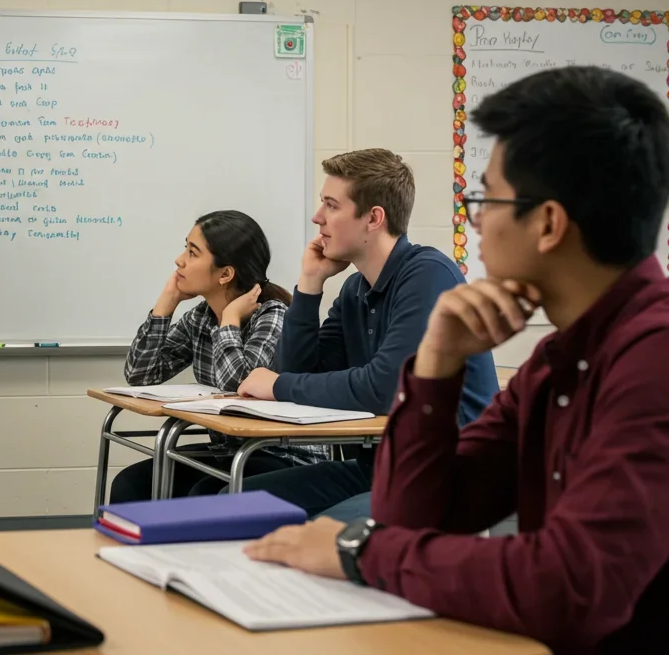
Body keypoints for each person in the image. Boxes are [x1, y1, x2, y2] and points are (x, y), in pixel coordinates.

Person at [246, 66, 669, 652]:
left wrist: (358, 549)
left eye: (485, 199)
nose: (476, 220)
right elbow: (417, 513)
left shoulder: (654, 358)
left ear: (547, 223)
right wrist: (435, 366)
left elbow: (569, 586)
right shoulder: (556, 360)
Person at [234, 149, 498, 517]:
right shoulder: (356, 288)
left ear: (373, 218)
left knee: (323, 534)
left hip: (448, 473)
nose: (318, 217)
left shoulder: (429, 276)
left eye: (331, 205)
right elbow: (299, 373)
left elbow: (387, 388)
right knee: (236, 503)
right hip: (380, 469)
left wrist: (277, 387)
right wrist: (310, 284)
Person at [108, 210, 314, 503]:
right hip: (232, 451)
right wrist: (164, 306)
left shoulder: (273, 315)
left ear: (226, 274)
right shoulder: (201, 317)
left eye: (192, 253)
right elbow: (141, 376)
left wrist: (229, 321)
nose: (180, 260)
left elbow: (240, 386)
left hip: (280, 454)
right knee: (132, 484)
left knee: (201, 495)